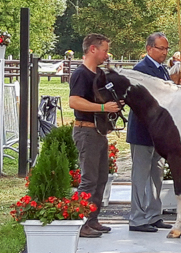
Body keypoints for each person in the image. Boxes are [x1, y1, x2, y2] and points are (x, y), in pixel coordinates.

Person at [68, 33, 122, 239]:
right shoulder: (81, 74)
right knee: (89, 178)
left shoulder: (98, 74)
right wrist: (102, 107)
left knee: (100, 177)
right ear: (93, 49)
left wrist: (113, 106)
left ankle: (92, 219)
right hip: (86, 130)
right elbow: (74, 101)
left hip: (98, 130)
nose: (106, 55)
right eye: (104, 50)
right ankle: (79, 221)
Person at [126, 32, 175, 233]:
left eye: (166, 48)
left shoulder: (163, 70)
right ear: (149, 49)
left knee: (157, 174)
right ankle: (137, 218)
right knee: (140, 176)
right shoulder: (141, 70)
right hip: (143, 130)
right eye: (160, 48)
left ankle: (154, 215)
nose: (164, 53)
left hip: (159, 132)